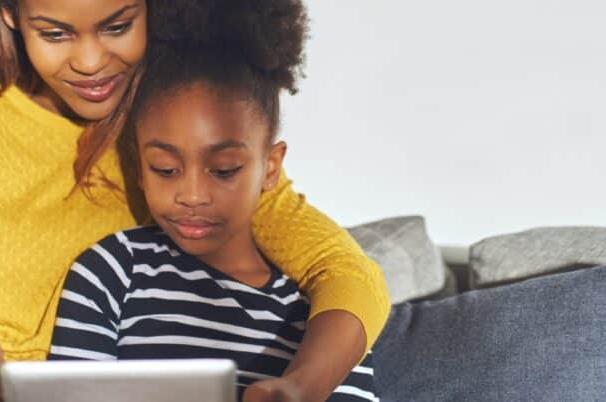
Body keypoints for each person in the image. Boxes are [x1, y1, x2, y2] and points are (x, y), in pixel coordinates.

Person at [0, 1, 389, 401]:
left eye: (117, 26)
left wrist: (297, 388)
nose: (90, 62)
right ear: (11, 15)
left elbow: (347, 276)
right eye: (55, 33)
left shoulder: (177, 134)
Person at [49, 3, 378, 401]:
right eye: (165, 169)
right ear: (138, 166)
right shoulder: (112, 272)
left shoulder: (323, 323)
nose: (191, 195)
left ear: (270, 167)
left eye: (223, 170)